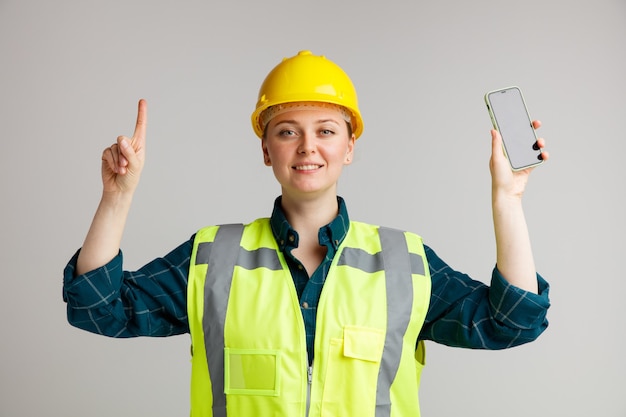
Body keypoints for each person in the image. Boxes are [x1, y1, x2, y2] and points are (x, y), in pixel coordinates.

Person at [63, 50, 551, 417]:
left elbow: (512, 322)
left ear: (349, 146)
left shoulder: (407, 262)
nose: (307, 147)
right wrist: (117, 197)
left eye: (326, 130)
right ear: (266, 149)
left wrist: (508, 201)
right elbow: (97, 309)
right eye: (287, 131)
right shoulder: (212, 257)